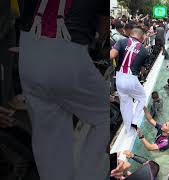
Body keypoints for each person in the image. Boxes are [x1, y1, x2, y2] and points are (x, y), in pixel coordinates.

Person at [19, 0, 109, 180]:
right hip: (69, 53)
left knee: (49, 134)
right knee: (103, 114)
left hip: (27, 53)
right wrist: (98, 38)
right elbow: (103, 24)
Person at [110, 27, 149, 133]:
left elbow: (112, 55)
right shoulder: (144, 50)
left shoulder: (121, 41)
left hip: (119, 77)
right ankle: (135, 122)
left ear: (131, 34)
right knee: (142, 98)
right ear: (141, 37)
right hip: (132, 79)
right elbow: (142, 71)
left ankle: (128, 129)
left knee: (125, 104)